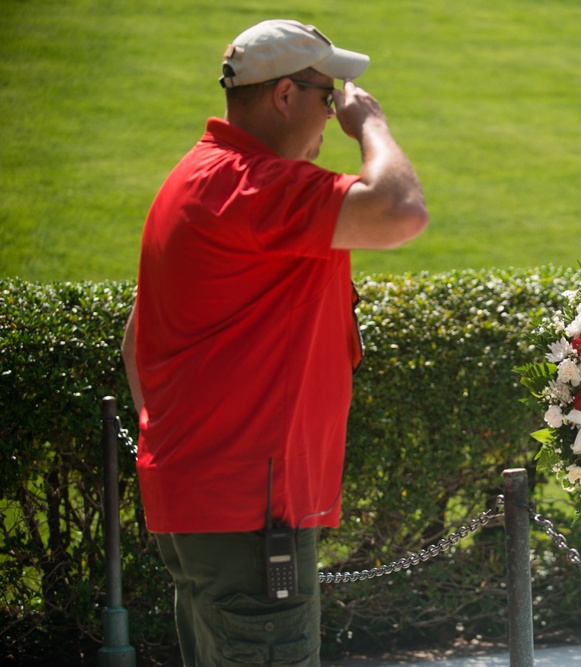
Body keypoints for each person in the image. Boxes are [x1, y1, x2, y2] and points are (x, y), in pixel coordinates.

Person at [120, 19, 428, 666]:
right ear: (284, 96)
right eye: (327, 96)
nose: (334, 111)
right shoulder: (250, 185)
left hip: (212, 506)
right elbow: (400, 209)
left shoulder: (199, 177)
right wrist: (370, 124)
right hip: (249, 517)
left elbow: (135, 344)